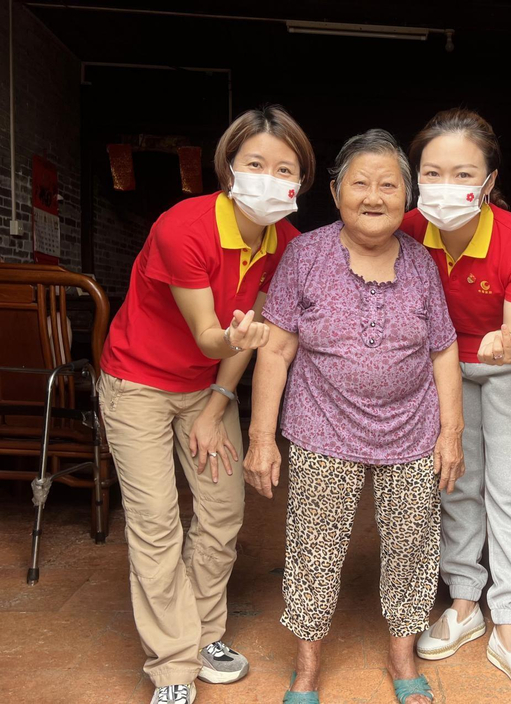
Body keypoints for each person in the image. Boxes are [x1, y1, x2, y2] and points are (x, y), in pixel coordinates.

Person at [98, 105, 315, 704]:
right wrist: (240, 340)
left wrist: (218, 404)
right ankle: (172, 665)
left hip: (206, 387)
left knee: (222, 511)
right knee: (156, 523)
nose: (270, 179)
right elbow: (212, 336)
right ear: (229, 167)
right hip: (138, 383)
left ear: (301, 181)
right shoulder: (184, 227)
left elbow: (251, 331)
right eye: (256, 164)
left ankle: (202, 634)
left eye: (285, 169)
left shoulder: (287, 242)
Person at [243, 129, 464, 704]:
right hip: (322, 424)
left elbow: (442, 349)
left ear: (406, 197)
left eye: (388, 185)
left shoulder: (422, 263)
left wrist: (451, 432)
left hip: (411, 428)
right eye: (360, 183)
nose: (373, 196)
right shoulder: (304, 256)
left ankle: (402, 657)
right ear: (336, 191)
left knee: (413, 545)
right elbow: (276, 349)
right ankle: (307, 668)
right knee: (313, 549)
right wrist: (261, 437)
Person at [403, 108, 511, 701]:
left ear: (489, 181)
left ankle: (509, 623)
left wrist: (505, 342)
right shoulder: (409, 228)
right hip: (447, 365)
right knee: (458, 481)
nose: (446, 187)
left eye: (463, 173)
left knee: (509, 489)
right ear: (416, 176)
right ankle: (465, 603)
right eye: (432, 173)